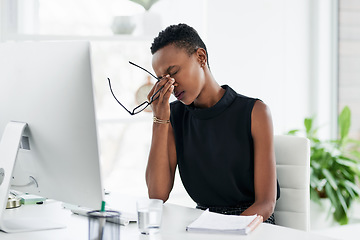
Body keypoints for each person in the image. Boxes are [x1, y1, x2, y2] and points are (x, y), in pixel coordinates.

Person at [146, 23, 280, 224]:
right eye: (161, 79)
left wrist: (226, 231)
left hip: (250, 223)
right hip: (202, 222)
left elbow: (265, 204)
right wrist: (159, 120)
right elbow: (158, 195)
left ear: (201, 57)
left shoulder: (255, 112)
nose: (171, 85)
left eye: (173, 72)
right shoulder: (173, 117)